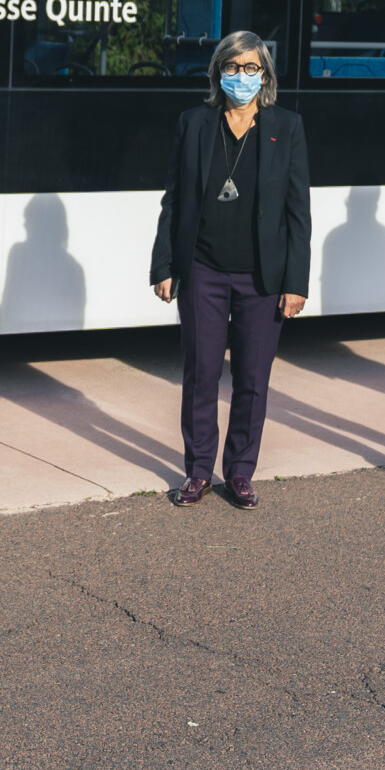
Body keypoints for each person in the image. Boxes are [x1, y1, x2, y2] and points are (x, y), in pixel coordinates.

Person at [149, 31, 312, 509]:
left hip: (263, 277)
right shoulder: (193, 123)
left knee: (252, 378)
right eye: (233, 67)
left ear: (265, 74)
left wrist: (295, 282)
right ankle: (198, 472)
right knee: (200, 374)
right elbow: (174, 200)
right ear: (218, 71)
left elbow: (298, 212)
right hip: (203, 271)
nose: (242, 76)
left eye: (251, 67)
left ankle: (240, 471)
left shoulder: (287, 126)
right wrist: (164, 265)